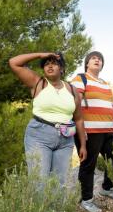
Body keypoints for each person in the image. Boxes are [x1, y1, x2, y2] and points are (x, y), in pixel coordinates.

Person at [8, 51, 87, 195]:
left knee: (60, 184)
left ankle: (57, 211)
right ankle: (38, 211)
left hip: (66, 140)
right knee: (39, 183)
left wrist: (82, 145)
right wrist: (40, 55)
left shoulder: (72, 90)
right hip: (39, 136)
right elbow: (14, 62)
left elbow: (79, 119)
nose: (50, 66)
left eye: (54, 63)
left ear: (62, 69)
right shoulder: (38, 82)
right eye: (46, 64)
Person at [72, 51, 113, 212]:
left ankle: (107, 188)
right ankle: (86, 200)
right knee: (89, 165)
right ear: (87, 63)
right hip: (89, 130)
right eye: (93, 58)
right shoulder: (80, 79)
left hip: (108, 130)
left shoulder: (105, 84)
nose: (97, 60)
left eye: (100, 59)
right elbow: (75, 105)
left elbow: (111, 108)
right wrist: (81, 131)